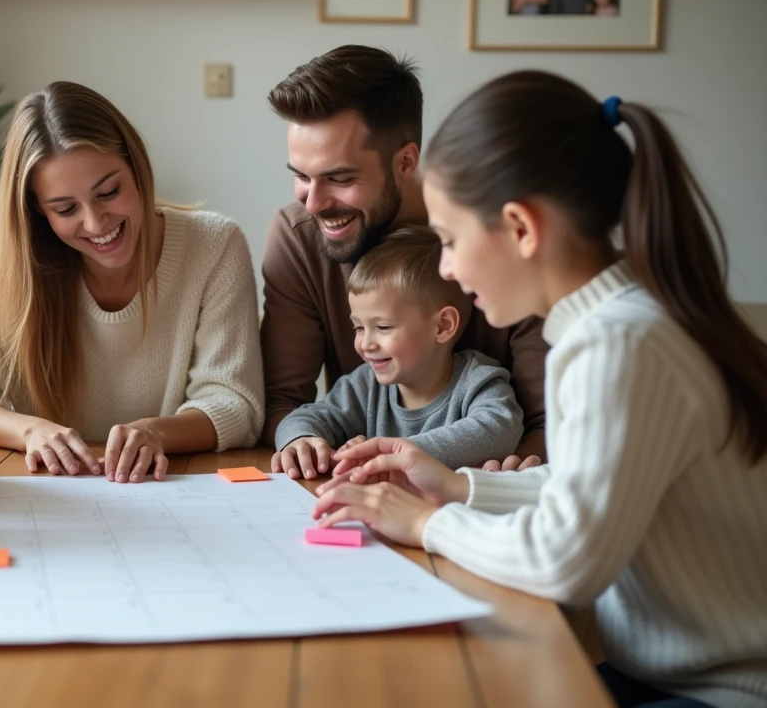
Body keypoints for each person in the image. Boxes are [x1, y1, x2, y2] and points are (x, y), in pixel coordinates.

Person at [313, 73, 767, 708]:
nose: (445, 268)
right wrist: (459, 485)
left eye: (449, 240)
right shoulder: (623, 318)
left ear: (521, 228)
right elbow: (590, 487)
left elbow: (567, 558)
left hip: (724, 691)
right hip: (672, 678)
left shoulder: (617, 345)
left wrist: (428, 521)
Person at [0, 82, 264, 484]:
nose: (96, 222)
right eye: (65, 208)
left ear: (136, 167)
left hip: (171, 484)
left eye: (109, 191)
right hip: (51, 492)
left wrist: (156, 432)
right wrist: (29, 430)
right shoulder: (7, 263)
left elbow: (235, 403)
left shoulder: (215, 246)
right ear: (38, 212)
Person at [261, 45, 548, 477]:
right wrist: (307, 444)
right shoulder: (298, 237)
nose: (314, 203)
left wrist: (496, 483)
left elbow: (552, 420)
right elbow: (284, 404)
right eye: (301, 176)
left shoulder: (503, 236)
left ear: (406, 161)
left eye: (340, 178)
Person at [274, 227, 522, 479]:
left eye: (382, 327)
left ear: (442, 325)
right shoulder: (365, 385)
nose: (365, 344)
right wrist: (303, 439)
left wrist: (400, 453)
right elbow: (306, 417)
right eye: (358, 327)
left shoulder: (477, 381)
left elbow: (500, 428)